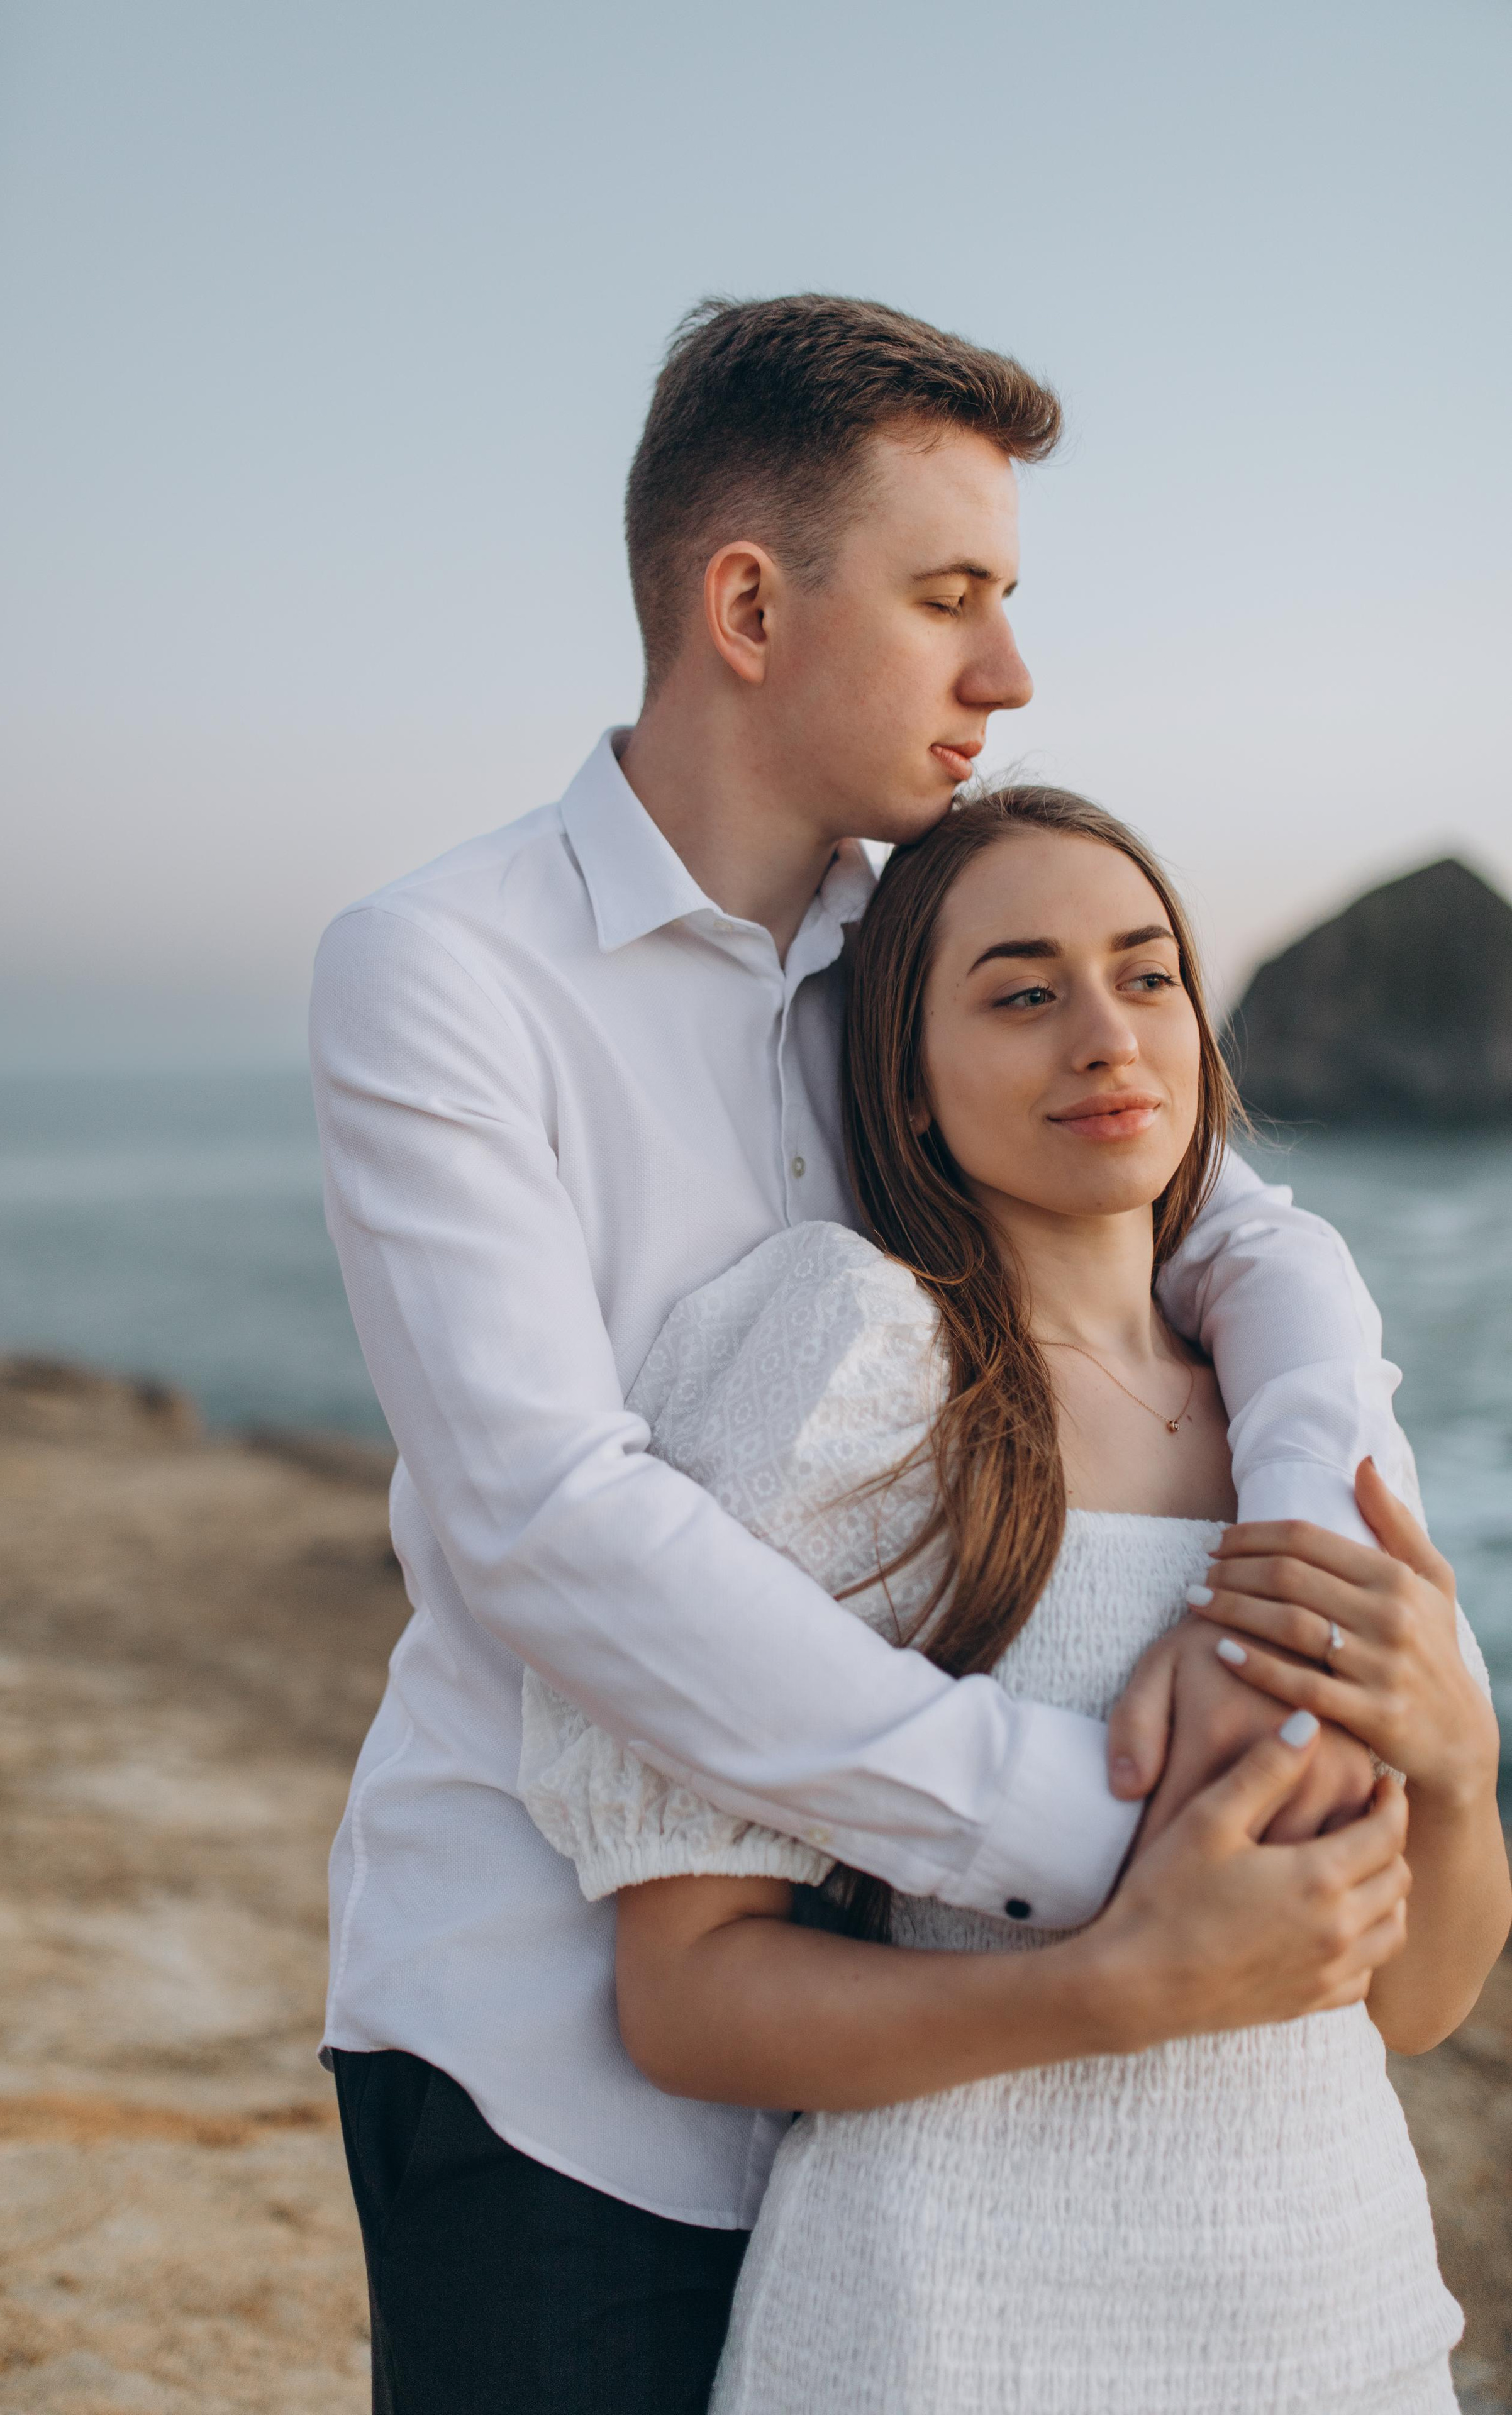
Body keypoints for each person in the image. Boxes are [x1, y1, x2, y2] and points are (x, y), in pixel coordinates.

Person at [311, 295, 1420, 2414]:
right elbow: (548, 1522)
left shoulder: (931, 950)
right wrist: (1094, 1832)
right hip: (556, 2045)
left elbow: (1256, 1239)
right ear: (747, 602)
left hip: (922, 2072)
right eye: (949, 600)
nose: (1006, 674)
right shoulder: (444, 975)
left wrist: (1290, 1587)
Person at [523, 786, 1509, 2413]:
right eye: (1024, 992)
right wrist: (1107, 1990)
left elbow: (1416, 1998)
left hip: (1337, 2319)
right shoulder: (862, 1377)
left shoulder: (1304, 1427)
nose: (1107, 1037)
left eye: (1147, 975)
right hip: (950, 2329)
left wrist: (1462, 1778)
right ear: (908, 1087)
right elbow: (687, 1998)